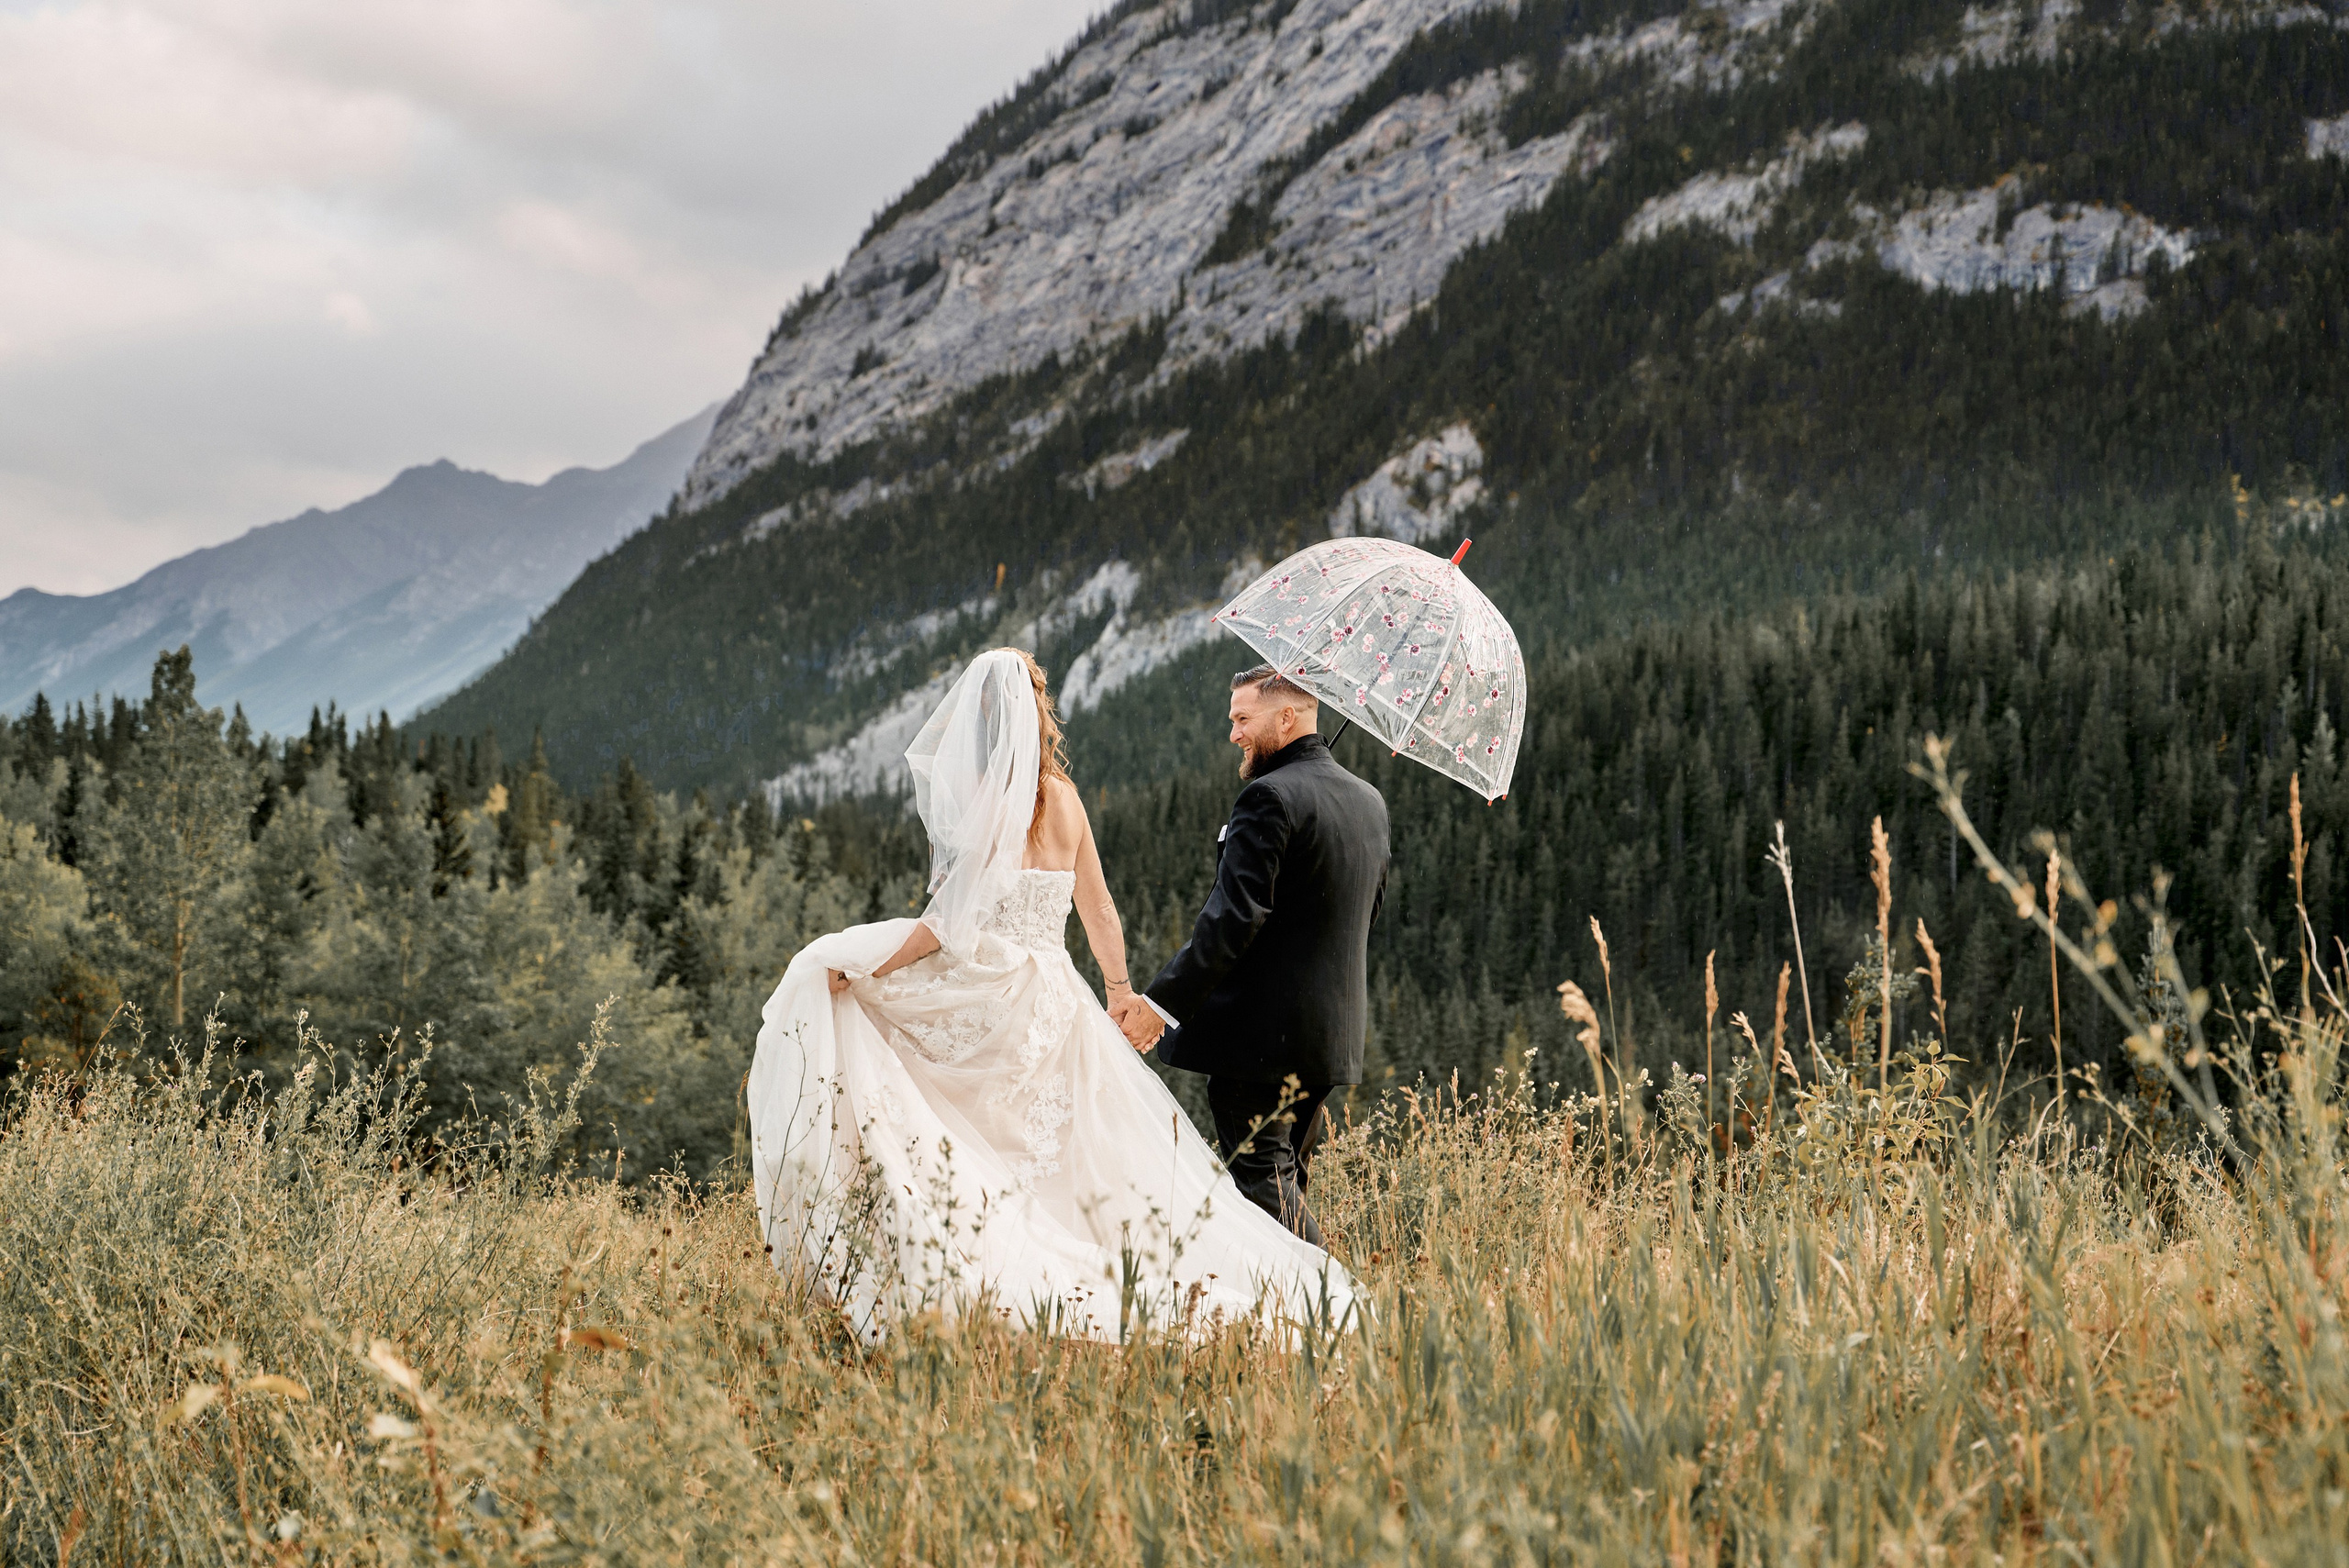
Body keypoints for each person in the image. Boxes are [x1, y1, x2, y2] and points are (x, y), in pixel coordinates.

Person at [746, 648, 1356, 1341]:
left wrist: (869, 971)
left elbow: (943, 926)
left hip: (991, 992)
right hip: (1055, 998)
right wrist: (1120, 992)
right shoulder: (1064, 800)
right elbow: (1099, 912)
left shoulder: (987, 806)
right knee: (1066, 1151)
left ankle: (989, 1272)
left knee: (942, 1108)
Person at [1108, 665, 1390, 1247]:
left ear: (1287, 718)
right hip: (1327, 1040)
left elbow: (1232, 921)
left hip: (1258, 1047)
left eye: (1242, 718)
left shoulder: (1268, 797)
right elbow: (1363, 915)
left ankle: (1338, 1310)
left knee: (1263, 1185)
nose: (1233, 732)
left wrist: (1158, 1007)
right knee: (1285, 1186)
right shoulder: (1368, 802)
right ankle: (1292, 1323)